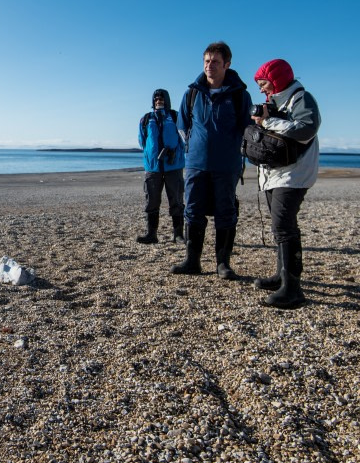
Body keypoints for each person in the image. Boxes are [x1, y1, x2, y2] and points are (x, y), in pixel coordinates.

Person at [171, 41, 252, 279]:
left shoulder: (239, 95)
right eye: (206, 61)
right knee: (193, 211)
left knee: (226, 212)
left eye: (215, 61)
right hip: (196, 164)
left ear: (227, 64)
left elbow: (247, 129)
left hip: (227, 166)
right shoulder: (192, 93)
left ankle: (223, 264)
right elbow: (183, 127)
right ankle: (192, 261)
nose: (210, 66)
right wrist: (194, 149)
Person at [250, 59, 320, 308]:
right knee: (281, 226)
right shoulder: (274, 103)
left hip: (295, 174)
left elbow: (306, 129)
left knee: (284, 226)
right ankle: (282, 277)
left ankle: (292, 289)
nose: (260, 89)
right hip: (275, 173)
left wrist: (268, 122)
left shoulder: (301, 98)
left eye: (263, 83)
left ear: (277, 79)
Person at [136, 89, 185, 244]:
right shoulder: (146, 119)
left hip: (174, 167)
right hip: (153, 168)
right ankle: (152, 234)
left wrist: (173, 152)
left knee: (176, 200)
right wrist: (152, 154)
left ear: (167, 100)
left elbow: (184, 139)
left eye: (162, 98)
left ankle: (178, 235)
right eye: (156, 98)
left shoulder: (176, 116)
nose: (159, 101)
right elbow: (142, 141)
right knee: (151, 201)